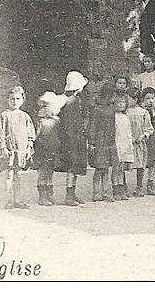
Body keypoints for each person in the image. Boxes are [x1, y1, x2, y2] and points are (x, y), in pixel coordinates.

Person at [0, 86, 36, 209]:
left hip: (21, 149)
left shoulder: (24, 116)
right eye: (12, 99)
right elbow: (1, 132)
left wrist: (29, 146)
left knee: (19, 174)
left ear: (22, 100)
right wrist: (3, 147)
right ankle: (7, 200)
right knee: (9, 175)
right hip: (9, 150)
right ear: (8, 100)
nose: (15, 101)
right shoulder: (4, 115)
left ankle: (18, 200)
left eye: (18, 99)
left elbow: (30, 133)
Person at [55, 70, 89, 206]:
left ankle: (72, 193)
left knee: (74, 168)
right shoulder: (71, 102)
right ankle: (69, 195)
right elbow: (69, 123)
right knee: (71, 168)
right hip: (71, 139)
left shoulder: (74, 100)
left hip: (76, 137)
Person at [87, 82, 119, 202]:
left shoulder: (111, 108)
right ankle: (96, 192)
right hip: (100, 141)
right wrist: (92, 142)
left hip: (109, 141)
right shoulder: (97, 109)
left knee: (106, 168)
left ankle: (105, 192)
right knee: (99, 169)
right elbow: (93, 126)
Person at [33, 91, 64, 207]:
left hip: (53, 147)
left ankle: (50, 194)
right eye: (44, 106)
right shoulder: (40, 121)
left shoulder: (56, 121)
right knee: (42, 172)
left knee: (50, 172)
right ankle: (42, 196)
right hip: (43, 148)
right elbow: (36, 134)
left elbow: (58, 135)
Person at [126, 90, 155, 197]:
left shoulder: (143, 112)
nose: (130, 100)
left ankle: (139, 187)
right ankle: (123, 187)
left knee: (141, 165)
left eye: (132, 98)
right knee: (125, 164)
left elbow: (149, 128)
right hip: (128, 142)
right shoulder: (126, 112)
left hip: (139, 142)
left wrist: (143, 136)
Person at [133, 53, 155, 137]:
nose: (146, 64)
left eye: (148, 61)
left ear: (154, 63)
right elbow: (136, 90)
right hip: (144, 103)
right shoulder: (140, 77)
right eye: (145, 62)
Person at [111, 93, 135, 201]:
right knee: (116, 168)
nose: (121, 105)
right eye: (119, 102)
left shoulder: (126, 117)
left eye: (123, 102)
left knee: (122, 169)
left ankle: (121, 189)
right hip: (117, 144)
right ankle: (115, 190)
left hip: (125, 144)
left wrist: (130, 145)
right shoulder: (114, 117)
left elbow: (128, 132)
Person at [139, 87, 155, 195]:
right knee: (141, 161)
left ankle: (150, 185)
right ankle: (139, 185)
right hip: (143, 137)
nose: (150, 101)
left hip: (153, 137)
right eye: (147, 98)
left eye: (152, 98)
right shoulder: (140, 109)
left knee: (152, 161)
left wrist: (153, 112)